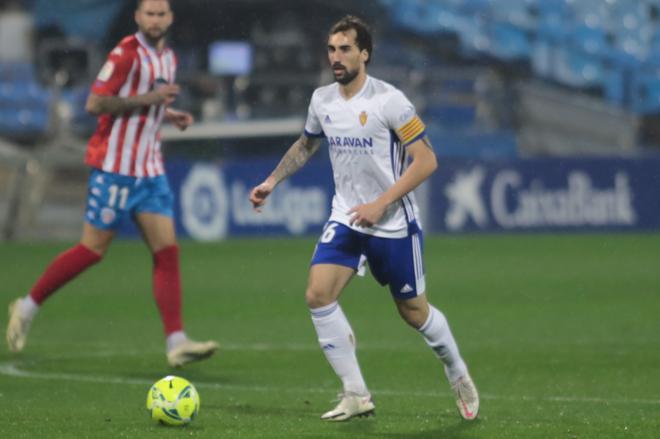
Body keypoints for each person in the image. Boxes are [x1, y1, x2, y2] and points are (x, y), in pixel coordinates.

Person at [250, 15, 479, 421]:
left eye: (345, 49)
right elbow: (306, 145)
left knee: (414, 313)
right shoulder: (323, 100)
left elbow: (426, 161)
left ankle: (455, 367)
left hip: (392, 223)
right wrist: (272, 181)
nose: (335, 57)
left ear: (365, 53)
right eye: (331, 49)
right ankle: (355, 393)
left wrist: (381, 204)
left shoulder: (389, 101)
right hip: (347, 217)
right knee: (317, 294)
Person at [6, 0, 218, 368]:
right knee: (92, 250)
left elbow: (144, 105)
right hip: (115, 169)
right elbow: (96, 103)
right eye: (148, 14)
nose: (154, 20)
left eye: (161, 14)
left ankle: (176, 341)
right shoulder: (125, 53)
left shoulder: (168, 58)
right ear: (138, 17)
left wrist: (167, 113)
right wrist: (150, 99)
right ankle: (26, 305)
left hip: (150, 170)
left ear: (170, 18)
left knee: (167, 252)